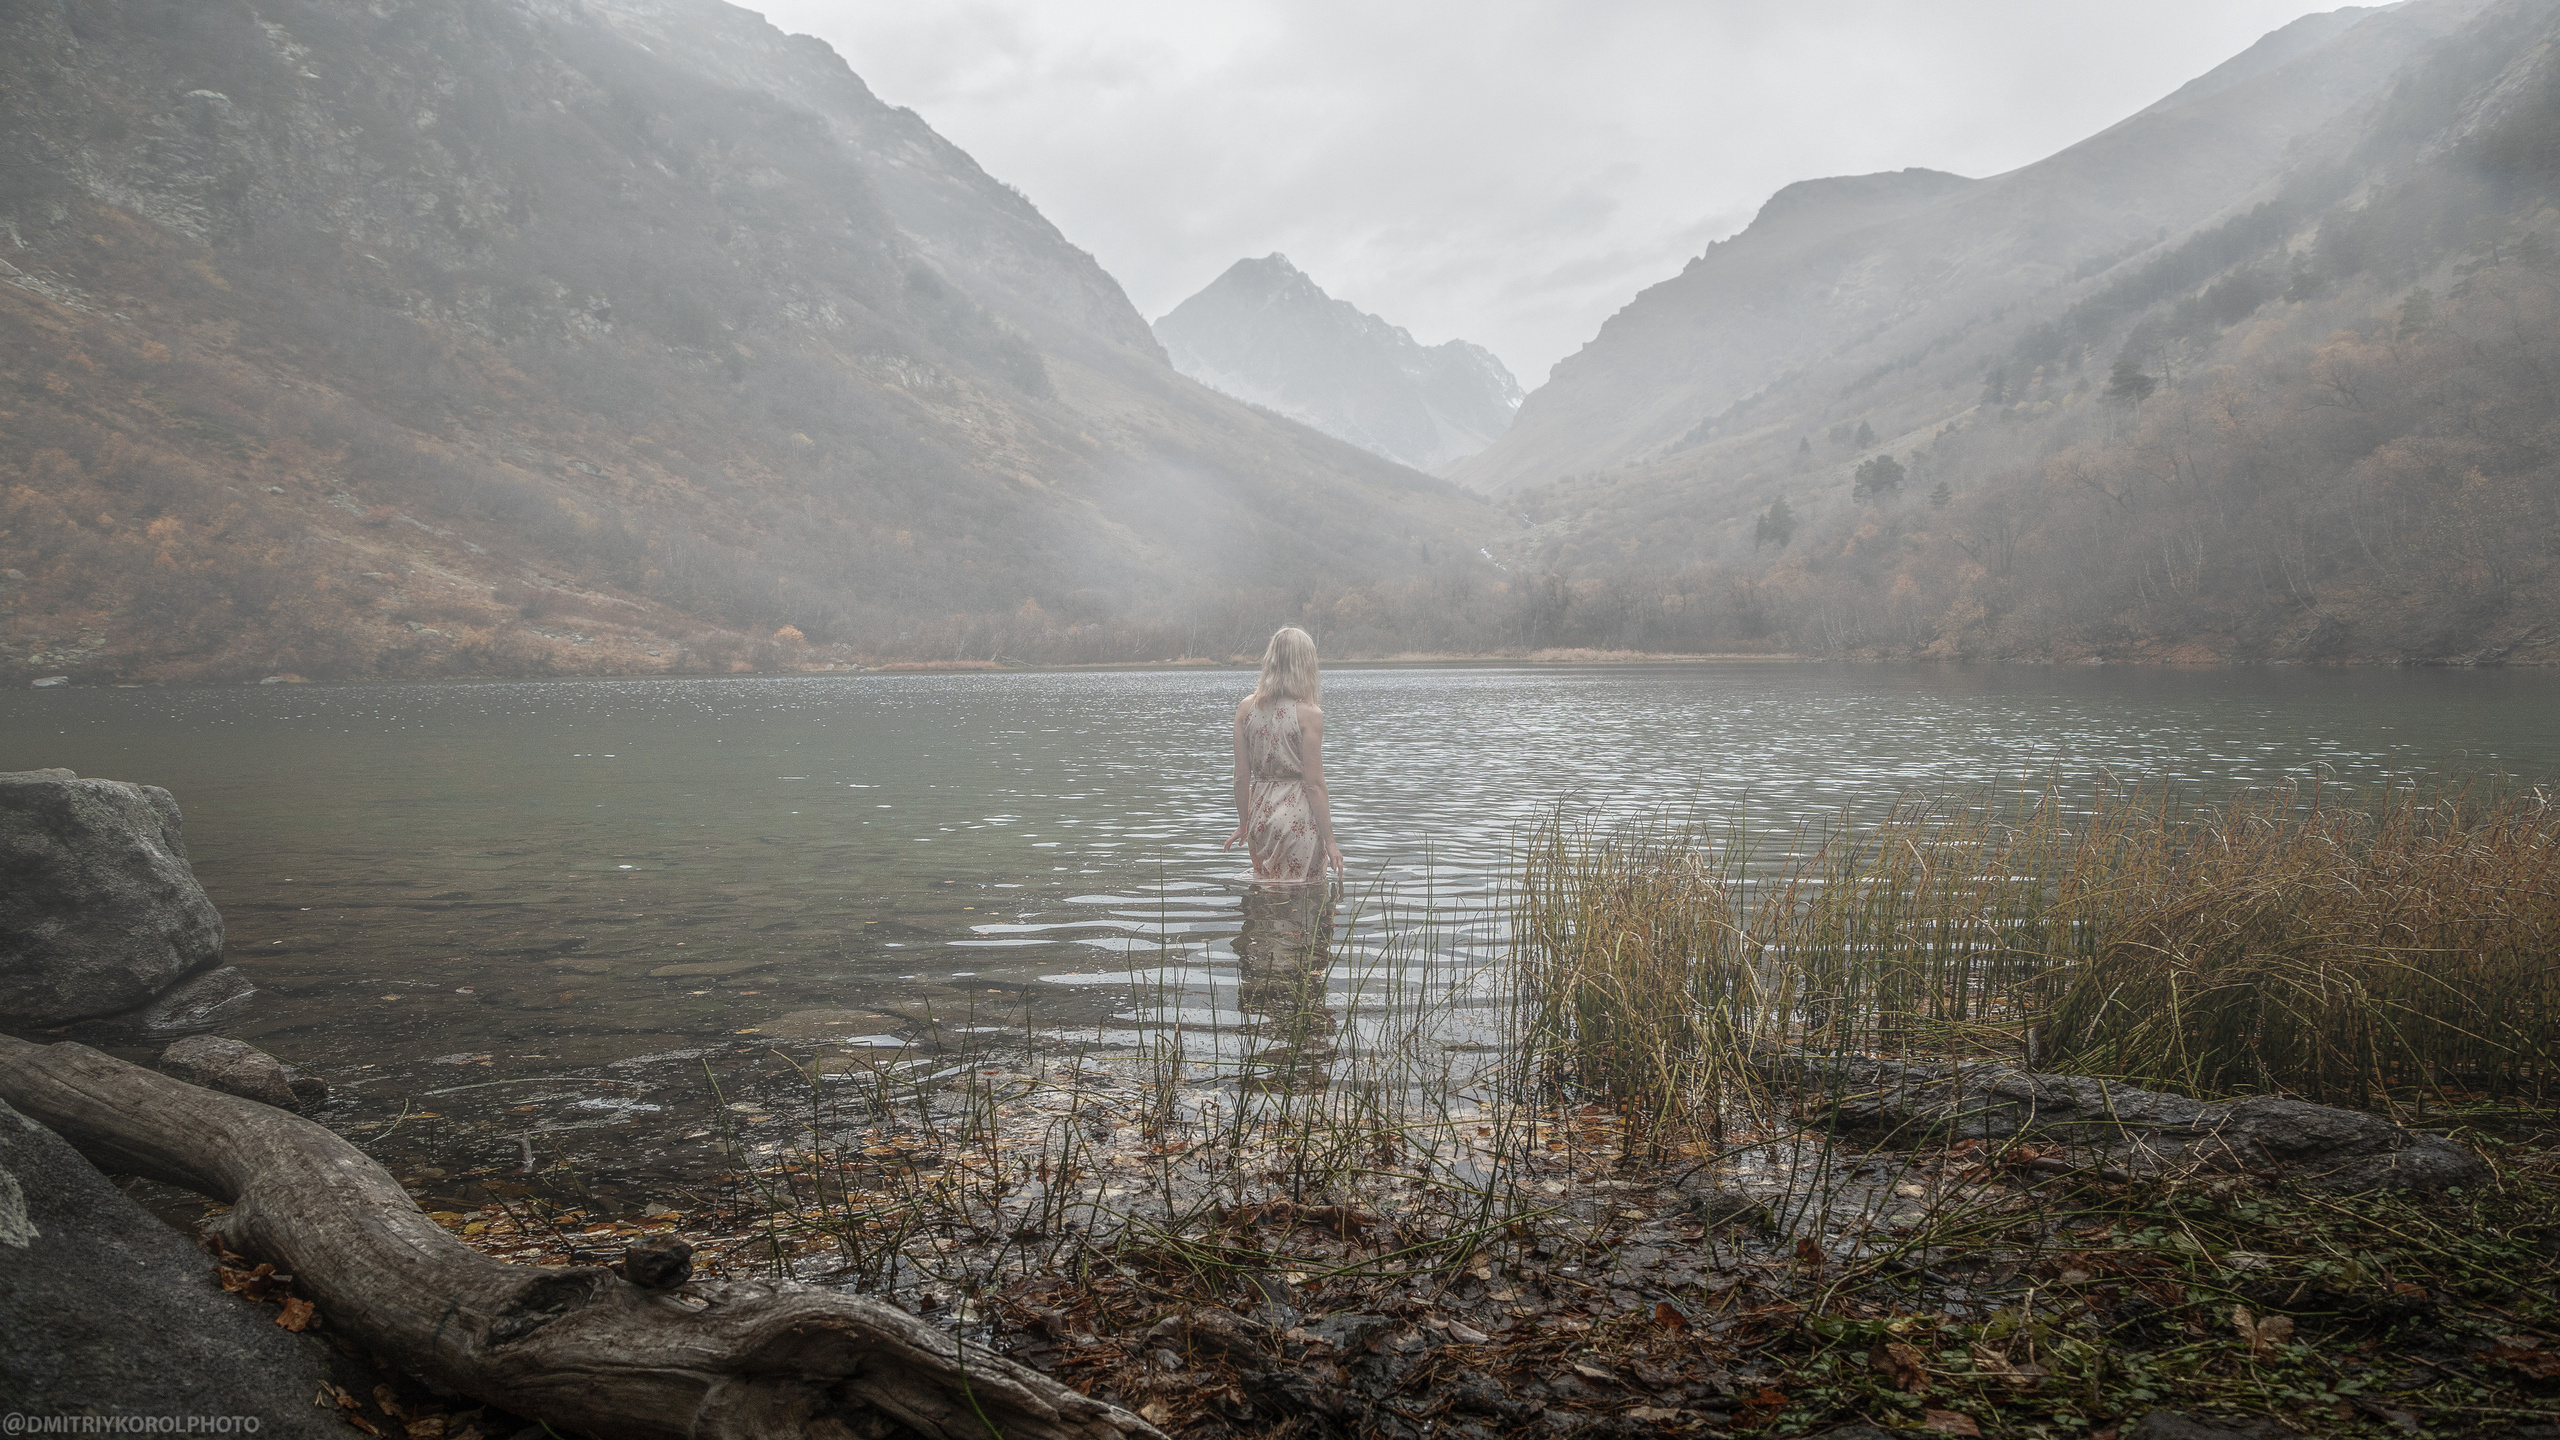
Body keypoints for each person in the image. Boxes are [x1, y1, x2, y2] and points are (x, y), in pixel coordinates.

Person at [1223, 626, 1343, 883]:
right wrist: (1331, 843)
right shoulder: (1310, 714)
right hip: (1297, 817)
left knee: (1267, 890)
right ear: (1306, 665)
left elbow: (1240, 778)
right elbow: (1314, 785)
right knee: (1302, 896)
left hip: (1260, 816)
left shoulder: (1245, 709)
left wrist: (1243, 824)